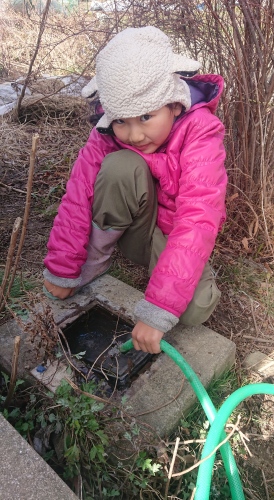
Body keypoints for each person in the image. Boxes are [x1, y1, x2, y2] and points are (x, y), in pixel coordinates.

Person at [43, 26, 227, 355]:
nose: (134, 134)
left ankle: (179, 272)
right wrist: (63, 268)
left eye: (145, 117)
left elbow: (199, 215)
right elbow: (78, 197)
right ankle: (97, 261)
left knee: (193, 310)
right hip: (131, 229)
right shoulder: (105, 134)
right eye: (121, 121)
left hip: (173, 235)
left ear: (173, 103)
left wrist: (159, 310)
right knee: (120, 165)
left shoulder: (201, 130)